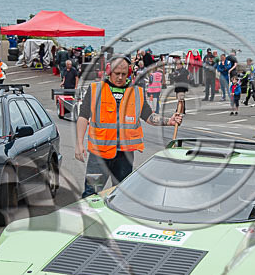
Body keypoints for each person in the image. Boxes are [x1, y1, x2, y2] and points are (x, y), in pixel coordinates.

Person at [74, 55, 183, 197]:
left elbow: (149, 116)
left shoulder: (136, 92)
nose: (120, 77)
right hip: (99, 155)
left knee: (121, 195)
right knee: (91, 194)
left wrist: (169, 121)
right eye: (116, 74)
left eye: (123, 74)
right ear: (109, 71)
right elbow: (83, 116)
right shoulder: (95, 90)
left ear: (129, 73)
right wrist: (79, 143)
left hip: (124, 156)